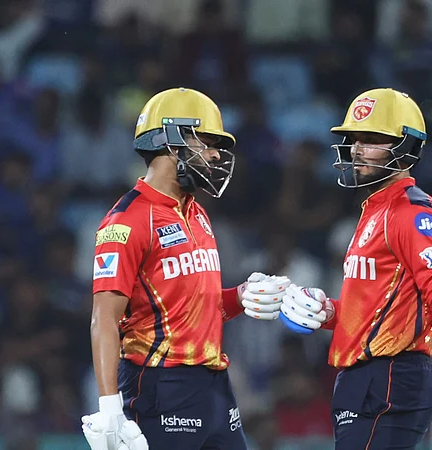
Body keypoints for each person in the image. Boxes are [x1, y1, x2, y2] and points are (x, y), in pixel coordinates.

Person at [276, 88, 432, 450]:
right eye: (355, 139)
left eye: (372, 140)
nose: (358, 149)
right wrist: (328, 310)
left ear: (406, 148)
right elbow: (379, 307)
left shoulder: (413, 213)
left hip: (390, 377)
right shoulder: (374, 211)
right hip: (365, 381)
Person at [81, 87, 288, 450]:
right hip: (162, 386)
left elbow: (193, 307)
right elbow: (104, 318)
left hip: (215, 384)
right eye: (206, 142)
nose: (214, 154)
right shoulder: (126, 221)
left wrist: (240, 297)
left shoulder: (196, 212)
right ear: (172, 139)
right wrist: (108, 406)